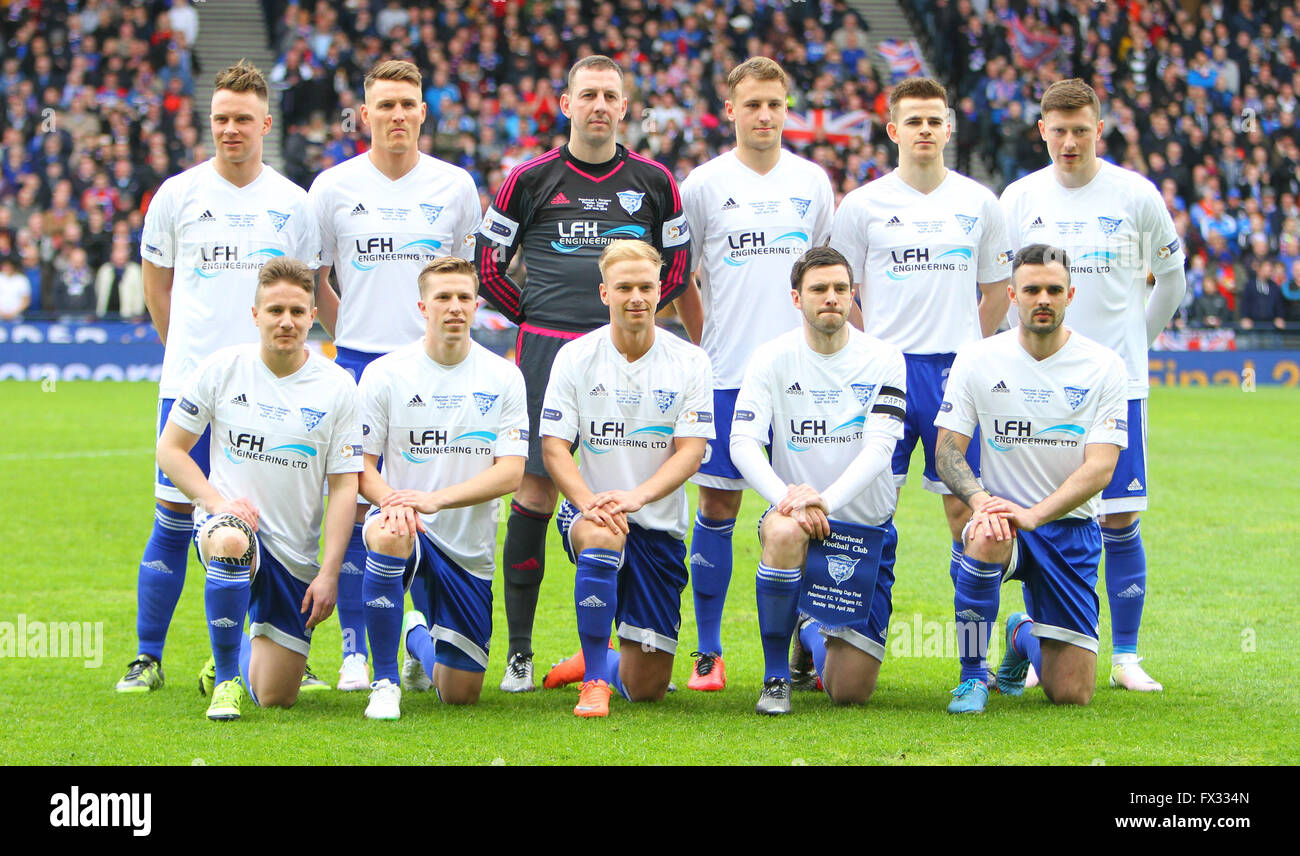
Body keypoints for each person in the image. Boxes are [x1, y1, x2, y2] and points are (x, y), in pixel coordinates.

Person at [475, 55, 691, 692]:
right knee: (537, 493)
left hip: (632, 354)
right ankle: (518, 653)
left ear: (625, 108)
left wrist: (628, 325)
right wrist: (538, 318)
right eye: (588, 95)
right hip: (547, 350)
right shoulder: (529, 179)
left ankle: (617, 645)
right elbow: (488, 266)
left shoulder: (654, 182)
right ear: (564, 104)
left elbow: (675, 269)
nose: (600, 105)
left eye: (611, 96)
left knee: (627, 475)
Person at [117, 61, 321, 694]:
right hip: (194, 387)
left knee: (270, 523)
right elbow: (158, 291)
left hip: (272, 391)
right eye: (220, 119)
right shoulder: (177, 196)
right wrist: (191, 359)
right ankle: (148, 657)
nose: (230, 130)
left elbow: (302, 295)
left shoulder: (293, 203)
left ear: (266, 122)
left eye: (242, 119)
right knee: (176, 519)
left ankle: (265, 654)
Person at [1000, 79, 1187, 692]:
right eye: (1059, 130)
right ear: (1042, 131)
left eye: (1081, 129)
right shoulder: (1020, 198)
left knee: (1121, 515)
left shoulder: (1135, 195)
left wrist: (1134, 344)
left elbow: (1172, 278)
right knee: (1041, 515)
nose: (1070, 141)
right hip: (1039, 387)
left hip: (1118, 386)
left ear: (1098, 129)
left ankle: (1127, 656)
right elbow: (1004, 291)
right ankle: (1038, 636)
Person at [308, 58, 481, 692]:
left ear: (423, 112)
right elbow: (314, 277)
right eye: (385, 105)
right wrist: (345, 328)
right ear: (365, 112)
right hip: (356, 363)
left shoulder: (456, 186)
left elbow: (464, 279)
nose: (398, 115)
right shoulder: (331, 187)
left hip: (435, 371)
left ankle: (420, 633)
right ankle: (357, 649)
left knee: (431, 506)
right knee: (358, 508)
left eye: (408, 104)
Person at [830, 76, 1011, 679]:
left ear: (949, 127)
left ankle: (972, 665)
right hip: (883, 374)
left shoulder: (979, 203)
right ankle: (834, 636)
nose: (925, 130)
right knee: (861, 506)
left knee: (967, 516)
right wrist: (876, 345)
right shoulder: (861, 206)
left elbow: (993, 293)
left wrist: (966, 352)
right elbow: (840, 294)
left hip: (953, 377)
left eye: (935, 120)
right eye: (914, 121)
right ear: (893, 130)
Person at [673, 57, 834, 691]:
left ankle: (806, 640)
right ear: (732, 110)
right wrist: (705, 344)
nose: (764, 115)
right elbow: (681, 276)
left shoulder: (812, 181)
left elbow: (825, 270)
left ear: (786, 109)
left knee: (806, 508)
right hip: (729, 371)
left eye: (775, 104)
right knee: (717, 503)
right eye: (752, 105)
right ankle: (709, 653)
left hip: (803, 377)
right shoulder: (705, 184)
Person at [157, 258, 361, 721]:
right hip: (230, 526)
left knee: (275, 696)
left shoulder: (338, 386)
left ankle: (232, 652)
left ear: (313, 315)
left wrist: (329, 572)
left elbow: (344, 486)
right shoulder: (222, 368)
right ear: (255, 315)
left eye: (296, 311)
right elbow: (171, 450)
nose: (285, 321)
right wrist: (216, 503)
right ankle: (227, 678)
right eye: (274, 311)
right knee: (230, 539)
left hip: (294, 553)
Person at [935, 244, 1128, 713]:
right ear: (1012, 295)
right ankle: (971, 677)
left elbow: (1102, 467)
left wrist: (1035, 515)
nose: (1043, 298)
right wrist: (984, 503)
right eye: (1032, 289)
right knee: (983, 537)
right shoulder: (978, 358)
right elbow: (946, 451)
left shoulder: (1104, 365)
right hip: (1004, 522)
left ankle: (1021, 635)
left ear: (1070, 295)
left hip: (1070, 531)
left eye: (1054, 290)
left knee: (1071, 694)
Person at [538, 240, 712, 717]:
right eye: (624, 287)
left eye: (646, 287)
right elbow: (555, 446)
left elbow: (691, 452)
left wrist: (637, 497)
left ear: (661, 292)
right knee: (601, 532)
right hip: (591, 511)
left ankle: (604, 660)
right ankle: (595, 680)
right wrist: (588, 501)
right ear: (604, 293)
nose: (636, 296)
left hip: (657, 525)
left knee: (649, 689)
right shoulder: (576, 357)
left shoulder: (690, 361)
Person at [728, 247, 906, 714]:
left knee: (850, 692)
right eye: (819, 289)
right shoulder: (771, 358)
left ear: (853, 296)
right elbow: (743, 442)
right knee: (783, 531)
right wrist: (788, 501)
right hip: (798, 520)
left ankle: (808, 634)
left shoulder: (886, 359)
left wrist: (823, 501)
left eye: (840, 289)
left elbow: (880, 448)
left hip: (863, 531)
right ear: (796, 297)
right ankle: (775, 677)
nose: (831, 297)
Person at [354, 257, 527, 719]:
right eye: (443, 298)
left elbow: (511, 472)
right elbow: (362, 467)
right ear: (422, 306)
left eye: (464, 298)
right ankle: (385, 681)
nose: (454, 307)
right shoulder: (385, 373)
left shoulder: (503, 376)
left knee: (460, 694)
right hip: (405, 523)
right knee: (390, 533)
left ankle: (414, 636)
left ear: (476, 305)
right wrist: (395, 504)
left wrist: (436, 499)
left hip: (468, 546)